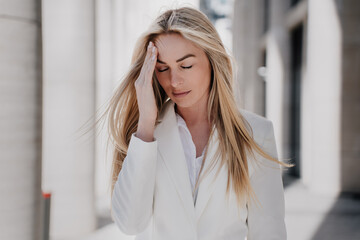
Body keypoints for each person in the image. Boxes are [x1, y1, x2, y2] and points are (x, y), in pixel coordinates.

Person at [105, 6, 293, 240]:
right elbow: (130, 224)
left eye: (186, 65)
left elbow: (269, 233)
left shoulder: (256, 133)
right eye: (163, 68)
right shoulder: (144, 136)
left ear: (212, 60)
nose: (174, 81)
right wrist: (145, 125)